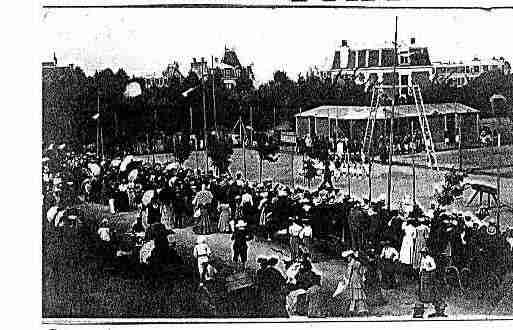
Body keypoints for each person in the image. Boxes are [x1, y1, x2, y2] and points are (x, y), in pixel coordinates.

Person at [413, 247, 447, 318]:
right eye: (422, 253)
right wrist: (420, 271)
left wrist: (428, 269)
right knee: (423, 286)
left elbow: (434, 267)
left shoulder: (430, 259)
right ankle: (424, 297)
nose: (423, 254)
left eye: (424, 253)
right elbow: (421, 266)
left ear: (426, 253)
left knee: (429, 286)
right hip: (423, 273)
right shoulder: (423, 259)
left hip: (429, 273)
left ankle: (431, 299)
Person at [347, 251, 368, 316]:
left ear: (351, 257)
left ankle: (353, 310)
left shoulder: (352, 264)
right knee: (358, 295)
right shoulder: (357, 263)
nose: (347, 258)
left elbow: (348, 273)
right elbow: (362, 272)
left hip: (354, 280)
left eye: (348, 257)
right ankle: (359, 309)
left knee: (355, 296)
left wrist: (347, 280)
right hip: (357, 280)